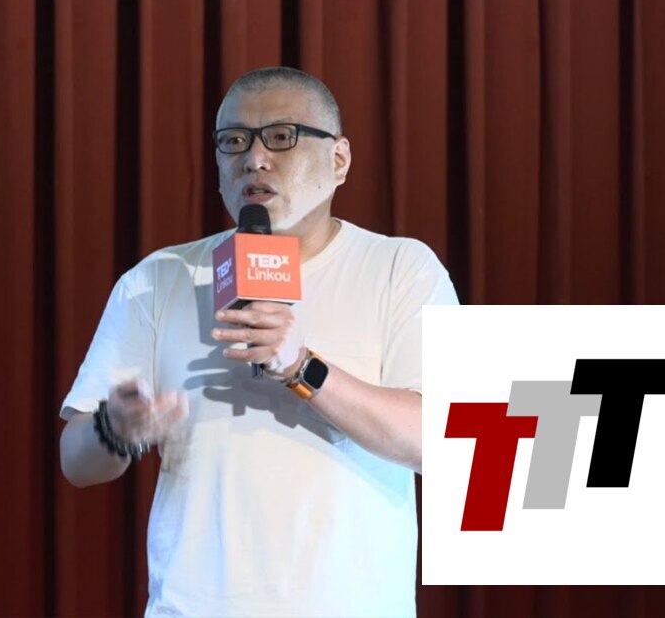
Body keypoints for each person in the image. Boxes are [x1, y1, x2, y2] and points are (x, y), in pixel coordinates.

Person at [59, 66, 458, 617]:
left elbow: (445, 442)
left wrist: (303, 368)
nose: (254, 159)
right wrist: (114, 429)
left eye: (281, 137)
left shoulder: (400, 268)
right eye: (234, 141)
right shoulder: (159, 278)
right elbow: (77, 462)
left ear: (339, 159)